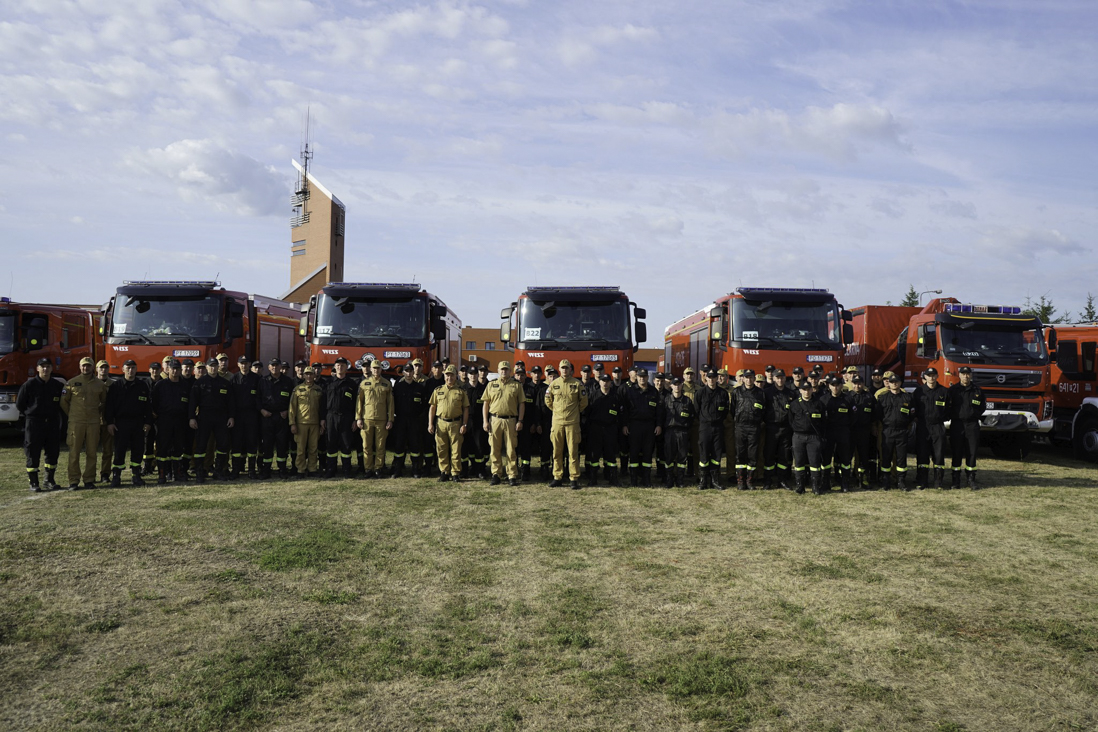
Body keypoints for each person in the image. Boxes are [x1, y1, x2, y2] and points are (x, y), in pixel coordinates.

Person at [16, 358, 65, 491]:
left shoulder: (57, 386)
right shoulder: (29, 385)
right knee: (33, 451)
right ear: (37, 369)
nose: (45, 369)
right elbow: (20, 404)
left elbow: (63, 403)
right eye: (42, 366)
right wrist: (31, 414)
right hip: (34, 423)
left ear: (52, 368)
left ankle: (49, 480)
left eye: (48, 366)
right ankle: (34, 482)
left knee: (53, 451)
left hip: (52, 423)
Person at [60, 356, 107, 489]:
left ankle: (89, 479)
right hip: (76, 422)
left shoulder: (100, 384)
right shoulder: (71, 383)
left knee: (92, 452)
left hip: (93, 422)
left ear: (93, 367)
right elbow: (64, 402)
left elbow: (103, 402)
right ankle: (73, 480)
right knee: (74, 452)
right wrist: (72, 415)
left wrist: (95, 413)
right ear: (80, 367)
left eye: (88, 365)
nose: (86, 368)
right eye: (83, 365)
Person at [104, 359, 153, 487]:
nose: (131, 370)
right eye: (128, 368)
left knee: (138, 449)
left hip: (138, 423)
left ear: (136, 369)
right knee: (119, 450)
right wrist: (110, 423)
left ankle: (136, 475)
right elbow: (109, 406)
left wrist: (148, 422)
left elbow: (148, 406)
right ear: (123, 369)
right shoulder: (116, 386)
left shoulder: (142, 386)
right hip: (121, 423)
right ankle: (116, 476)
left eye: (133, 368)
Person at [544, 359, 589, 489]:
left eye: (566, 368)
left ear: (570, 369)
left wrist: (574, 412)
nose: (564, 370)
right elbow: (548, 400)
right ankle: (557, 477)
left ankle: (573, 478)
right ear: (559, 369)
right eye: (562, 368)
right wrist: (557, 411)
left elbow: (584, 402)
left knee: (573, 452)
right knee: (557, 451)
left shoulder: (577, 384)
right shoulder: (553, 384)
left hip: (572, 423)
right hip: (557, 422)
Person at [189, 359, 235, 483]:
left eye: (215, 366)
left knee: (222, 445)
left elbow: (231, 402)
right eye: (211, 366)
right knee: (201, 445)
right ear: (207, 368)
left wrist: (231, 417)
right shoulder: (200, 383)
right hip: (204, 417)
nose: (213, 368)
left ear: (218, 367)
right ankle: (200, 471)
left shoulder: (225, 383)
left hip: (221, 418)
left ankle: (218, 471)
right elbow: (193, 402)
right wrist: (192, 418)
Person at [482, 361, 525, 486]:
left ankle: (512, 475)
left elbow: (522, 404)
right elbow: (486, 404)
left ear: (510, 371)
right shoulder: (491, 385)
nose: (504, 371)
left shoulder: (516, 385)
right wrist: (485, 421)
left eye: (506, 369)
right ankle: (496, 474)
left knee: (511, 449)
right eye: (502, 369)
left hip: (511, 420)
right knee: (495, 449)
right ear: (498, 370)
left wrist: (520, 420)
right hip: (495, 420)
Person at [428, 365, 470, 481]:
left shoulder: (461, 391)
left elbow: (466, 408)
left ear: (456, 376)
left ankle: (455, 473)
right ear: (444, 376)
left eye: (452, 375)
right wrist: (430, 424)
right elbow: (432, 408)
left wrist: (464, 424)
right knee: (441, 449)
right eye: (447, 375)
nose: (449, 378)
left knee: (456, 450)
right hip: (441, 423)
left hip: (456, 423)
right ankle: (444, 472)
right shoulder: (438, 390)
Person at [621, 367, 660, 487]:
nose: (642, 379)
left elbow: (659, 410)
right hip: (634, 425)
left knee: (648, 453)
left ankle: (646, 479)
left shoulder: (653, 391)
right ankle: (633, 480)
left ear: (648, 377)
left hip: (649, 426)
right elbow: (625, 410)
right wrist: (624, 425)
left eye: (644, 376)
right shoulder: (630, 391)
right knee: (634, 452)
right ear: (636, 377)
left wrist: (658, 425)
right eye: (640, 377)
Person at [948, 366, 986, 489]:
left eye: (968, 374)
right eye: (963, 374)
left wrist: (974, 415)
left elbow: (982, 407)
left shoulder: (977, 391)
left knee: (972, 452)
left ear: (971, 375)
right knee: (956, 452)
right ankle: (955, 480)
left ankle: (971, 479)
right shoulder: (953, 390)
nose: (966, 376)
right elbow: (947, 406)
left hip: (972, 425)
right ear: (959, 375)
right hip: (957, 424)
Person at [911, 367, 949, 489]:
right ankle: (922, 481)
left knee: (939, 454)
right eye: (929, 375)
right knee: (922, 454)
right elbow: (913, 408)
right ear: (925, 377)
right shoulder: (919, 391)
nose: (931, 377)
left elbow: (949, 409)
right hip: (923, 426)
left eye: (933, 375)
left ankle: (938, 482)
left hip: (938, 426)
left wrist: (941, 419)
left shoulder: (944, 391)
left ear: (937, 376)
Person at [693, 368, 730, 490]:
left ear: (717, 379)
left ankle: (715, 481)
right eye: (709, 377)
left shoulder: (723, 393)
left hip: (718, 427)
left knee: (716, 455)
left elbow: (725, 410)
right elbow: (696, 410)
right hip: (704, 427)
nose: (711, 380)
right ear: (706, 378)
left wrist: (718, 420)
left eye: (714, 377)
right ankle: (703, 480)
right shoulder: (700, 393)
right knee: (703, 454)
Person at [356, 360, 394, 479]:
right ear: (371, 369)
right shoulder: (364, 383)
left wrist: (390, 419)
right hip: (367, 419)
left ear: (381, 369)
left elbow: (390, 404)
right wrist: (358, 418)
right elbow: (359, 402)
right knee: (366, 446)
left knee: (380, 446)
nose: (376, 370)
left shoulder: (387, 384)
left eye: (378, 368)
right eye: (374, 368)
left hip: (382, 420)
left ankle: (378, 468)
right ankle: (368, 469)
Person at [584, 373, 624, 486]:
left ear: (610, 383)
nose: (605, 383)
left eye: (607, 381)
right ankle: (593, 478)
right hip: (595, 428)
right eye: (603, 381)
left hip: (610, 429)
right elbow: (587, 413)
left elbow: (620, 414)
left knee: (610, 454)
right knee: (594, 454)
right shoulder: (593, 396)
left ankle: (613, 478)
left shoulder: (616, 397)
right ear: (599, 382)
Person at [877, 373, 915, 491]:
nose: (894, 384)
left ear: (900, 383)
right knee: (886, 456)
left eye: (896, 382)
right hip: (888, 431)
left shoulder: (907, 398)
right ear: (889, 383)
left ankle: (901, 481)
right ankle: (886, 481)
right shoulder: (883, 398)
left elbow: (912, 414)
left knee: (901, 457)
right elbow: (878, 415)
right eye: (892, 382)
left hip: (902, 431)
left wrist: (906, 425)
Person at [259, 358, 294, 479]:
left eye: (276, 365)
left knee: (282, 444)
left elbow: (293, 400)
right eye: (272, 365)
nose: (274, 367)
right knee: (267, 444)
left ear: (280, 367)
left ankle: (282, 469)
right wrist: (262, 410)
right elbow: (257, 398)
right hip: (267, 417)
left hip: (282, 417)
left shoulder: (288, 381)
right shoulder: (263, 381)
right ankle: (266, 470)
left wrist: (287, 411)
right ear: (269, 367)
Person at [730, 369, 766, 490]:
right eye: (747, 377)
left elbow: (764, 410)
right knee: (740, 454)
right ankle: (740, 481)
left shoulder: (760, 393)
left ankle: (750, 480)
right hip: (740, 427)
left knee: (752, 455)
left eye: (751, 377)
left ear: (754, 379)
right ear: (743, 379)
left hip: (754, 428)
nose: (749, 380)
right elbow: (732, 409)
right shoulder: (736, 392)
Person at [658, 376, 695, 488]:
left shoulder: (687, 401)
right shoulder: (666, 400)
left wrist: (686, 428)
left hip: (683, 432)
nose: (677, 386)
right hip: (670, 431)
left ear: (682, 386)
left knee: (682, 457)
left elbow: (692, 417)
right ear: (671, 386)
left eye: (679, 384)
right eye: (675, 384)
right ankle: (669, 479)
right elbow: (661, 416)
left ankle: (680, 480)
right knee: (669, 456)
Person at [789, 380, 825, 495]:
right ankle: (800, 486)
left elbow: (823, 421)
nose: (806, 392)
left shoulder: (818, 404)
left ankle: (815, 486)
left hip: (813, 437)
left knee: (814, 462)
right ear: (800, 391)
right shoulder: (794, 404)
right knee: (799, 462)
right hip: (798, 436)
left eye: (808, 389)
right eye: (804, 390)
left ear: (812, 390)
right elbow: (790, 420)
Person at [289, 366, 326, 478]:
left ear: (314, 375)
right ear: (304, 375)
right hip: (301, 423)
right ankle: (300, 470)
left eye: (311, 374)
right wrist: (292, 423)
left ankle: (312, 469)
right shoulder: (297, 389)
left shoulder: (319, 390)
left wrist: (322, 422)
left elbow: (322, 407)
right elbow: (292, 407)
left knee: (313, 448)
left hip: (315, 423)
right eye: (307, 374)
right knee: (301, 449)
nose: (309, 376)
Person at [819, 374, 854, 492]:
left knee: (845, 458)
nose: (835, 388)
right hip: (828, 432)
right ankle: (825, 482)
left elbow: (853, 417)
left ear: (841, 386)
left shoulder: (848, 399)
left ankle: (845, 483)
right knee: (826, 459)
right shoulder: (823, 400)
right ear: (829, 386)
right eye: (833, 385)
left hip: (843, 432)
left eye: (837, 385)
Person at [230, 355, 262, 480]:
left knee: (252, 442)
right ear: (238, 365)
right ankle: (236, 470)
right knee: (236, 443)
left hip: (252, 415)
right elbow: (230, 400)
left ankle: (252, 470)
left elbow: (260, 397)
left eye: (246, 363)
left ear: (249, 364)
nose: (244, 365)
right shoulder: (234, 379)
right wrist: (231, 416)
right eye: (241, 363)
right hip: (237, 416)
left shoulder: (257, 379)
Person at [763, 368, 794, 490]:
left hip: (786, 428)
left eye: (782, 377)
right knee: (769, 455)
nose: (780, 380)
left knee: (784, 456)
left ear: (785, 379)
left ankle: (782, 480)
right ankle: (768, 480)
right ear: (774, 378)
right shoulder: (767, 392)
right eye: (777, 377)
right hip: (771, 428)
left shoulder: (791, 393)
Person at [848, 376, 879, 489]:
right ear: (852, 384)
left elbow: (874, 414)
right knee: (847, 455)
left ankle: (863, 478)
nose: (857, 386)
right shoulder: (847, 397)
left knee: (863, 456)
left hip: (864, 431)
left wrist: (873, 427)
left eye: (859, 383)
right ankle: (846, 479)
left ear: (863, 384)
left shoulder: (869, 397)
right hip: (850, 431)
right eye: (855, 383)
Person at [515, 365, 540, 480]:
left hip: (527, 424)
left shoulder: (531, 389)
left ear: (526, 376)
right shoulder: (512, 388)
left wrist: (534, 423)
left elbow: (536, 408)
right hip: (513, 423)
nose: (520, 377)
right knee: (513, 448)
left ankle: (525, 471)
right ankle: (514, 470)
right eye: (518, 375)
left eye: (522, 375)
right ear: (515, 376)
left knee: (526, 448)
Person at [95, 359, 116, 484]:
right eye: (101, 367)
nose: (103, 370)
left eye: (106, 367)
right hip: (93, 421)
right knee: (91, 450)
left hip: (108, 421)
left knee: (108, 450)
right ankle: (90, 475)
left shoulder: (114, 385)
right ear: (97, 369)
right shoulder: (91, 383)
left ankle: (105, 474)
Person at [142, 360, 162, 474]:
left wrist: (158, 412)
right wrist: (149, 413)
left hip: (161, 417)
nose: (155, 371)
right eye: (153, 369)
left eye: (157, 369)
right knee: (147, 443)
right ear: (149, 370)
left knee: (161, 442)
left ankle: (160, 466)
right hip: (148, 418)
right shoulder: (144, 384)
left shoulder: (164, 383)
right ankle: (147, 466)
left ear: (160, 370)